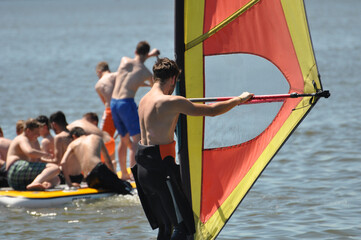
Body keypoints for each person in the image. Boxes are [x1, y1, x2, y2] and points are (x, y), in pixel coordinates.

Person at [133, 58, 254, 239]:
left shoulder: (144, 100)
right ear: (173, 79)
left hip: (143, 169)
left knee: (166, 227)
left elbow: (158, 126)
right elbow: (212, 111)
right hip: (161, 169)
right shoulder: (171, 102)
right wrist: (238, 99)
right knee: (182, 227)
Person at [111, 41, 160, 180]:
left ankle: (124, 174)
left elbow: (138, 61)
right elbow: (154, 88)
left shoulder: (124, 61)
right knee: (137, 140)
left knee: (123, 139)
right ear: (146, 53)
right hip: (126, 103)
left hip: (114, 103)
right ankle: (134, 175)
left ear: (135, 52)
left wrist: (149, 55)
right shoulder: (146, 72)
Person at [60, 127, 132, 195]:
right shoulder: (96, 138)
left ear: (74, 136)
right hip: (99, 170)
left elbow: (63, 162)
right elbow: (108, 161)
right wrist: (115, 178)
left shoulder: (73, 144)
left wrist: (70, 184)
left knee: (107, 187)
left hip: (90, 179)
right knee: (126, 188)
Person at [6, 119, 60, 190]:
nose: (38, 135)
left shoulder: (32, 140)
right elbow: (29, 152)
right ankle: (35, 183)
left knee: (55, 178)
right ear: (28, 130)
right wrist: (45, 154)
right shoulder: (22, 138)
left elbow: (37, 161)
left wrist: (51, 160)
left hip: (17, 179)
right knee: (54, 168)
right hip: (14, 170)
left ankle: (42, 185)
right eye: (36, 133)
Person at [95, 61, 117, 138]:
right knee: (125, 138)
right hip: (124, 108)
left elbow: (105, 103)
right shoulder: (117, 75)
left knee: (105, 138)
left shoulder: (98, 84)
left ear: (99, 72)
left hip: (110, 111)